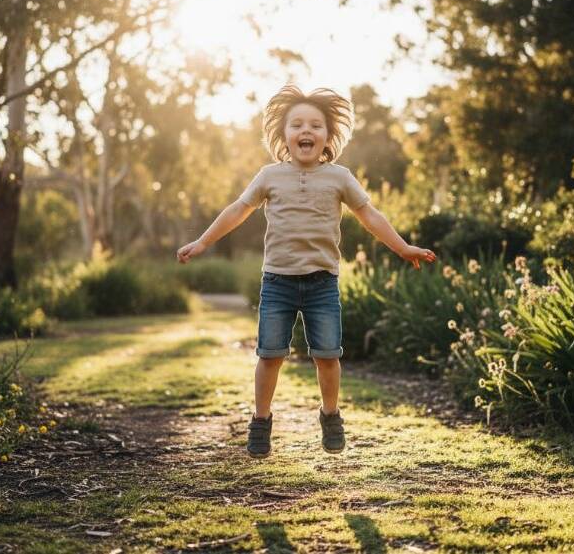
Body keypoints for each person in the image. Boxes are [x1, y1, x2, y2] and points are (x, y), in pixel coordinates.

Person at [176, 84, 436, 457]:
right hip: (277, 282)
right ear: (283, 134)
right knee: (270, 354)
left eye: (315, 125)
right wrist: (202, 242)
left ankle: (330, 414)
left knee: (328, 355)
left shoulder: (340, 177)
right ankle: (261, 419)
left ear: (329, 136)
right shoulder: (268, 176)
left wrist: (402, 247)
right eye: (297, 124)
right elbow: (238, 209)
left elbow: (369, 215)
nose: (306, 131)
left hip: (322, 283)